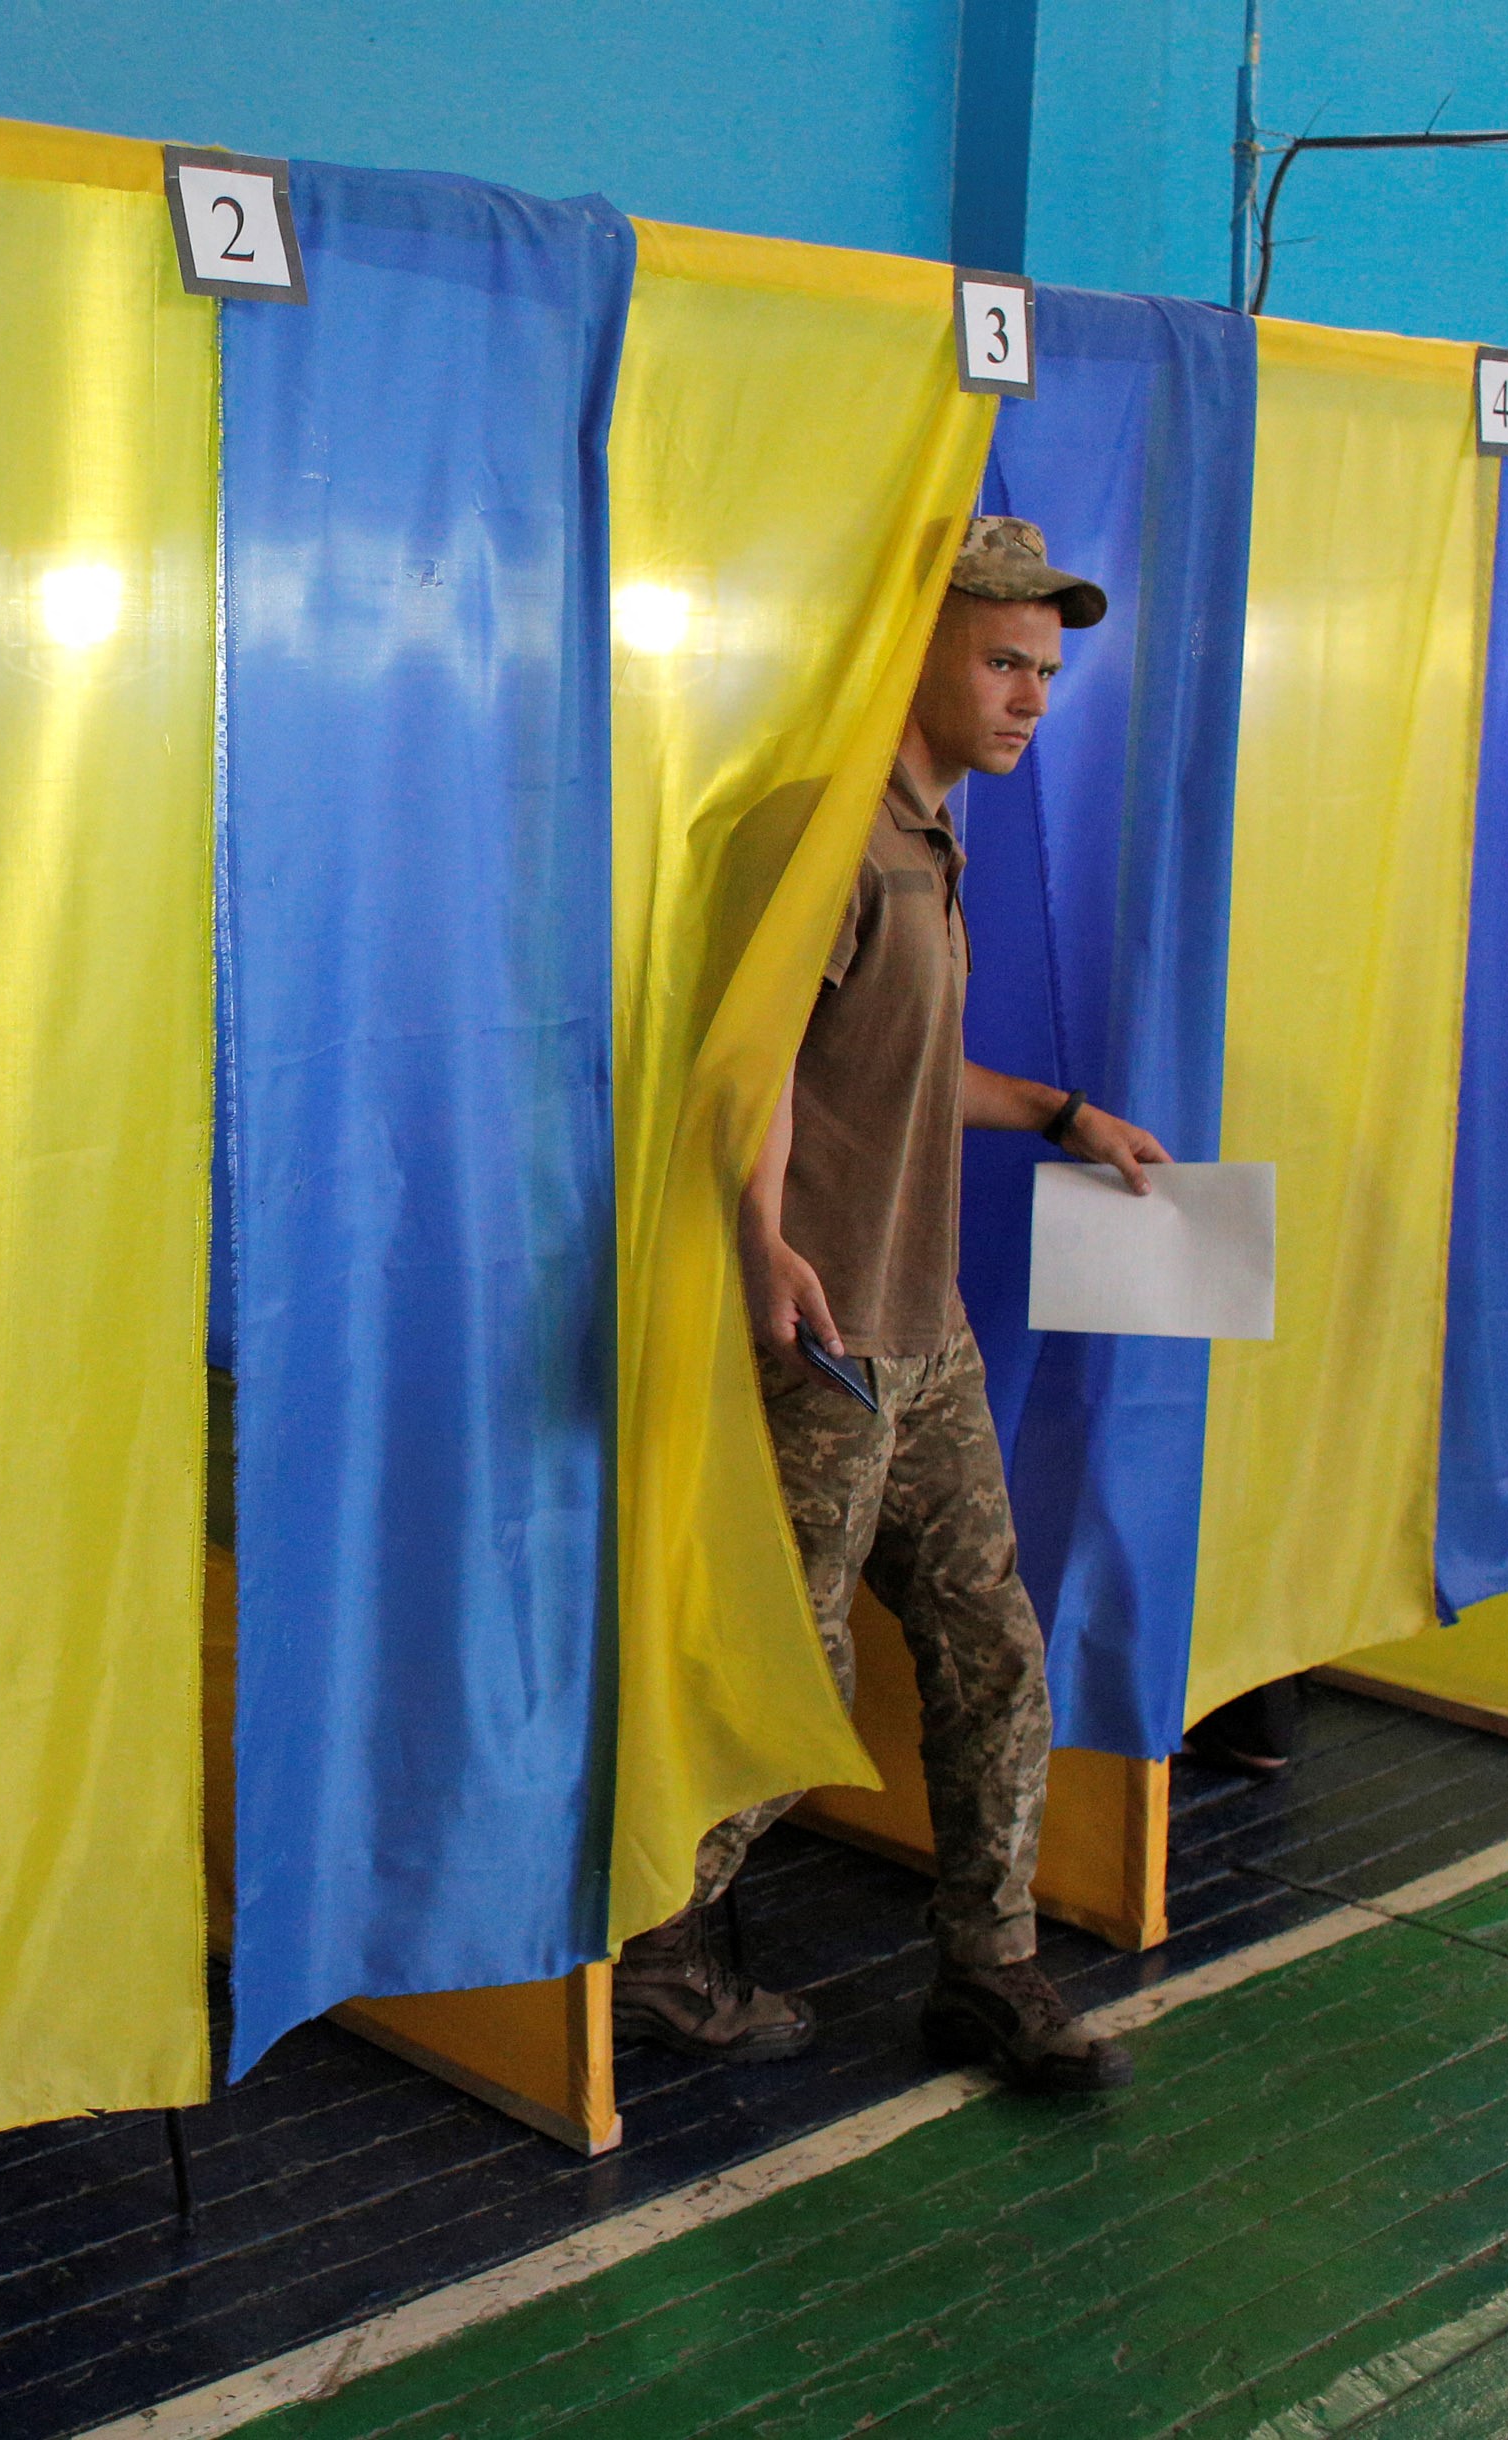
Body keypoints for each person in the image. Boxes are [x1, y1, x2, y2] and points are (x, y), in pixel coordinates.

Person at [614, 515, 1158, 2097]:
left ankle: (988, 1972)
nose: (1031, 699)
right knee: (804, 1678)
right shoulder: (830, 833)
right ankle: (659, 1949)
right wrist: (765, 1238)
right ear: (908, 645)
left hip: (927, 1332)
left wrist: (1060, 1113)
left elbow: (900, 1072)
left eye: (1046, 672)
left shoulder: (927, 838)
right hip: (829, 1339)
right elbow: (759, 1065)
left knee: (995, 1654)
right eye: (1001, 660)